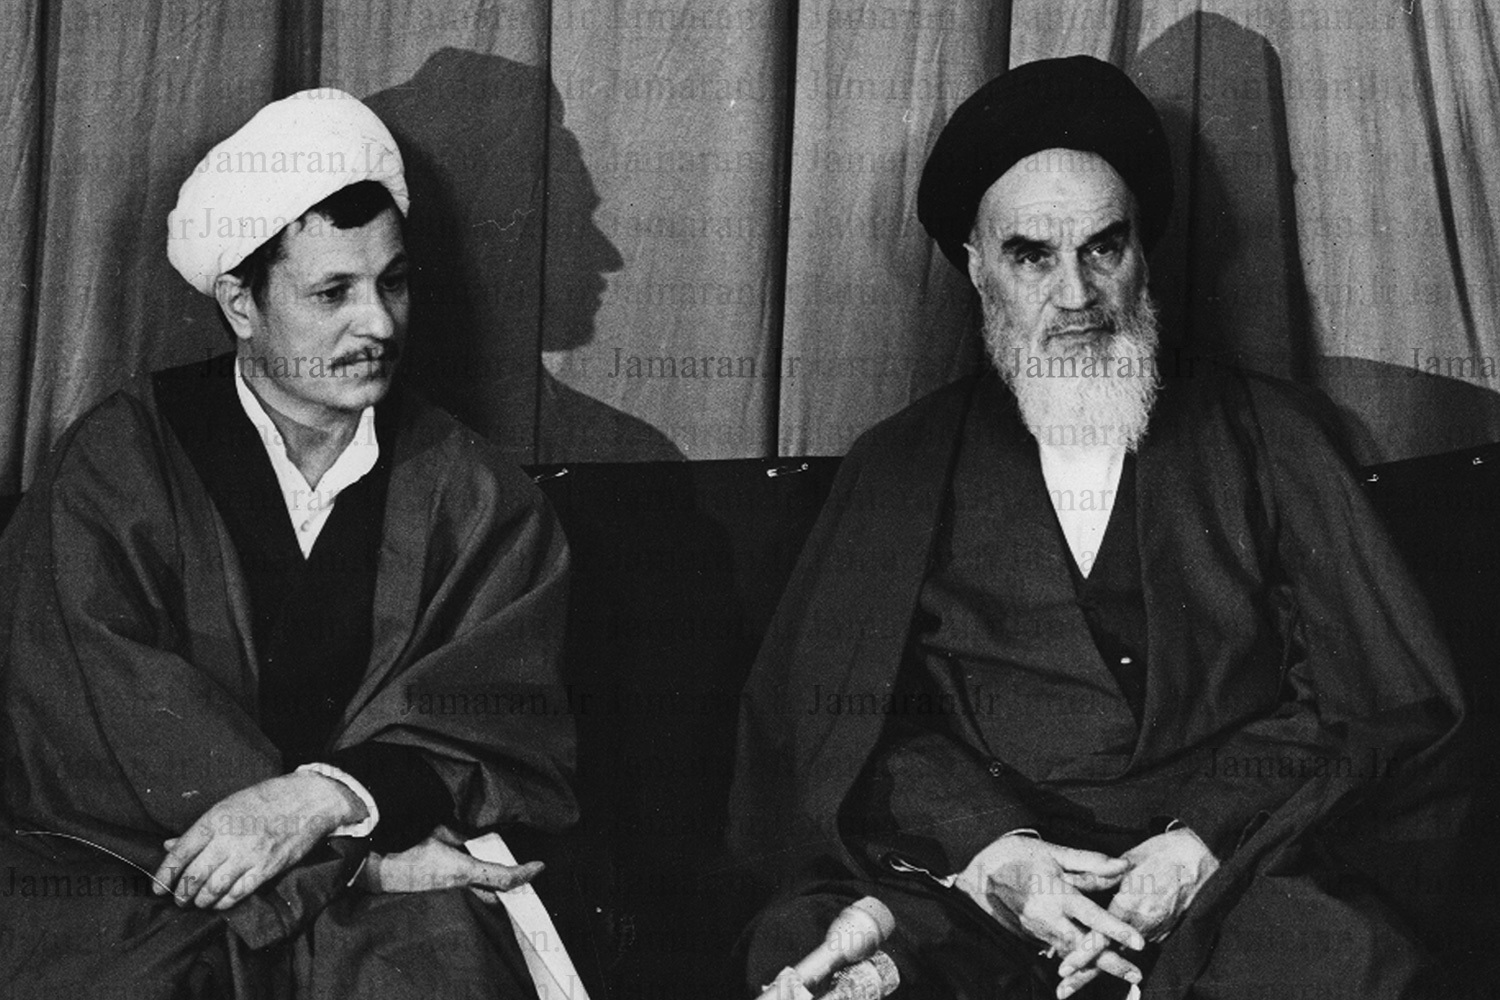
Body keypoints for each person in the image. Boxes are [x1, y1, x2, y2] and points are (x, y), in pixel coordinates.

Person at [728, 56, 1464, 1000]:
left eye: (1103, 249)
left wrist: (1202, 840)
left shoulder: (1271, 437)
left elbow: (1375, 698)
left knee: (1344, 961)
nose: (1076, 296)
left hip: (1234, 867)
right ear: (977, 267)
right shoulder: (899, 466)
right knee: (818, 955)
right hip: (983, 888)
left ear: (1142, 251)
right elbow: (837, 725)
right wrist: (991, 849)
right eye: (1032, 255)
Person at [0, 90, 578, 998]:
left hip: (393, 857)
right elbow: (91, 723)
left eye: (393, 283)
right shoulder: (117, 465)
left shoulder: (473, 492)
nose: (378, 324)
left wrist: (320, 801)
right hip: (153, 868)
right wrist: (356, 866)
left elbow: (503, 714)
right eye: (332, 293)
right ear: (241, 303)